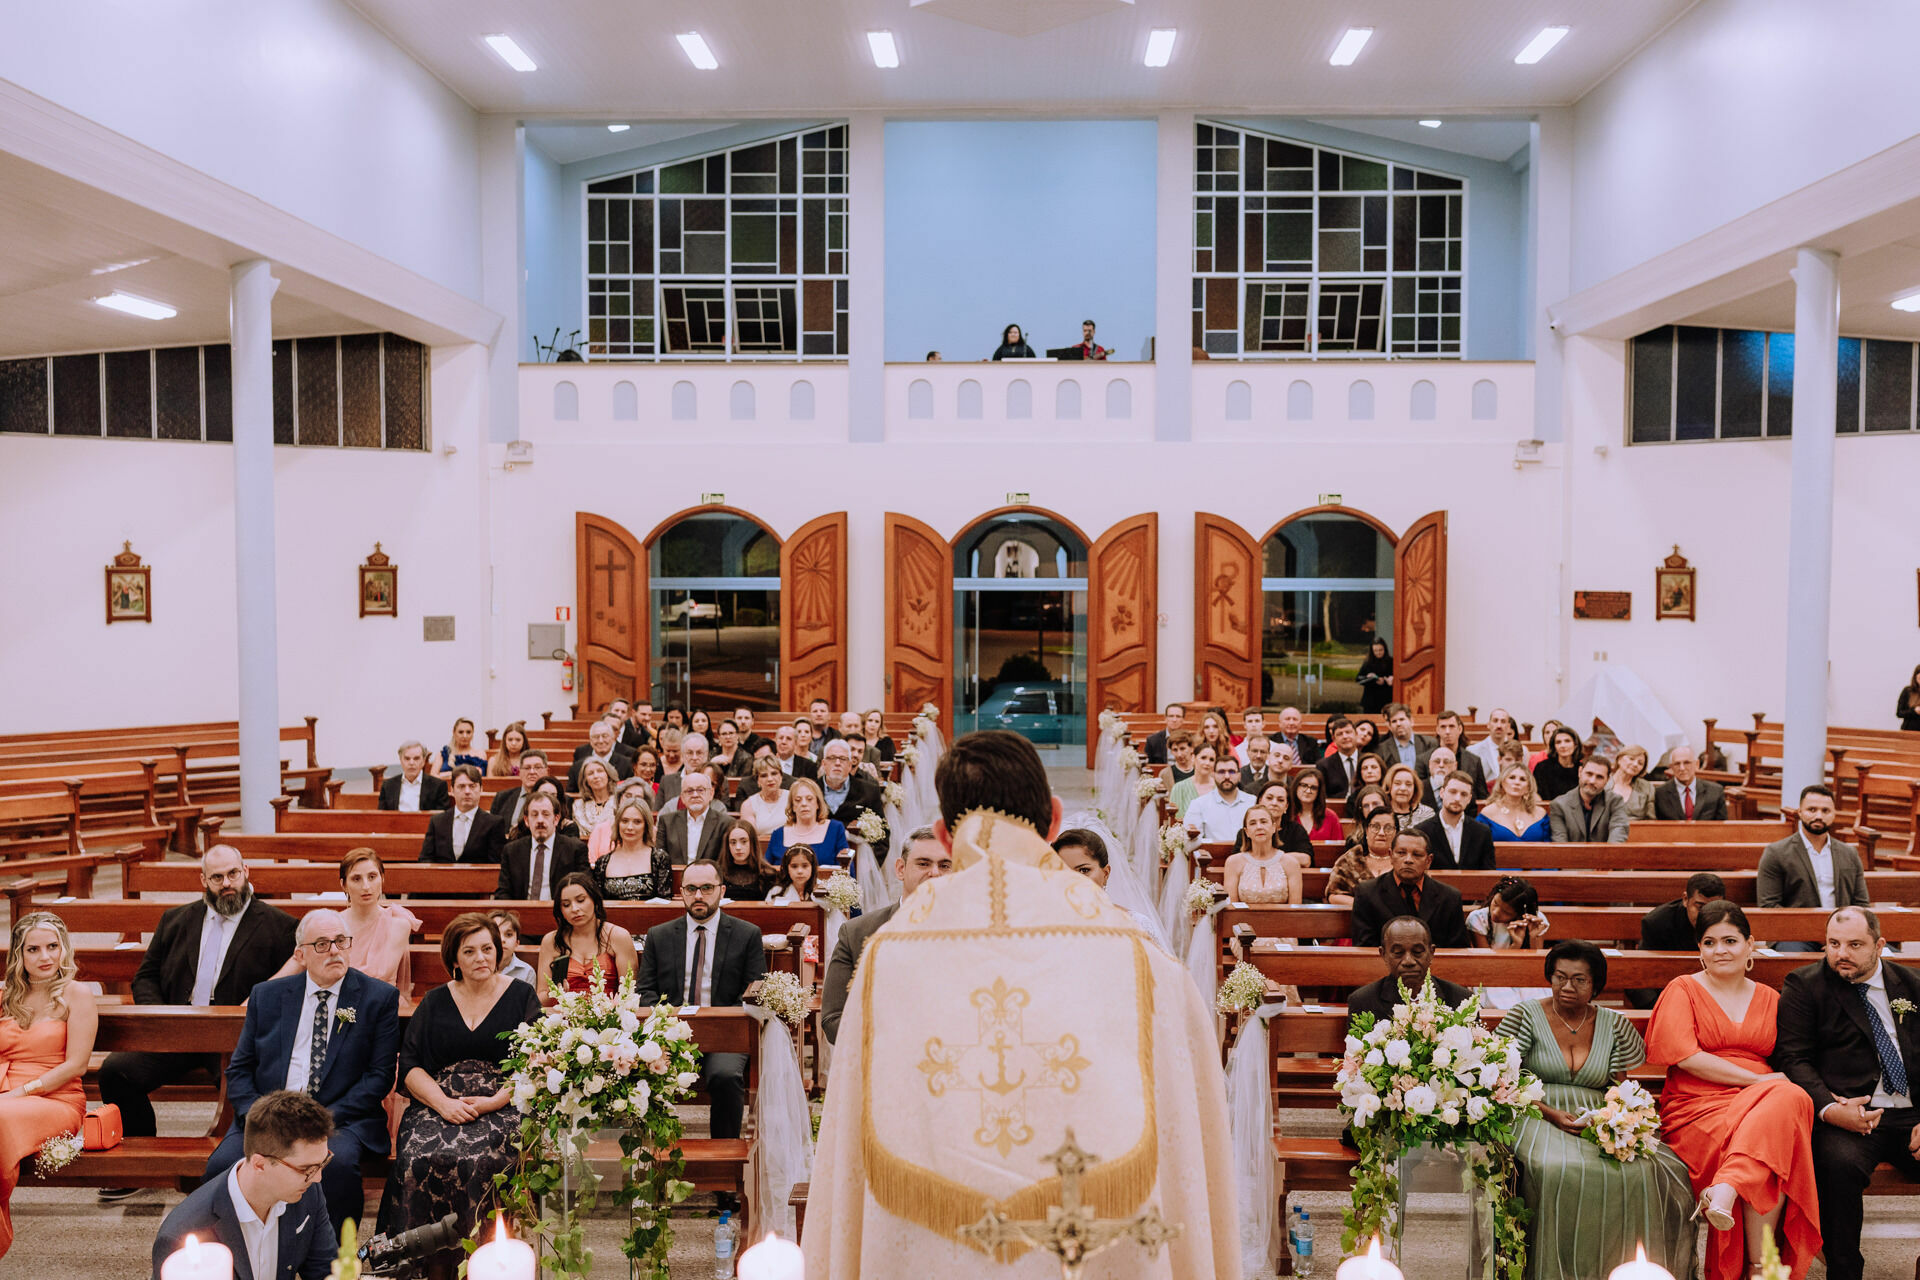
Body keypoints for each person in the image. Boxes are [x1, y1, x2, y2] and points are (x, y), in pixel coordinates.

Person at [802, 729, 1240, 1279]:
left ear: (943, 831)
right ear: (1053, 821)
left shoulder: (889, 960)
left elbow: (847, 1164)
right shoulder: (1142, 962)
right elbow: (1189, 1145)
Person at [1498, 941, 1697, 1280]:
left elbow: (1619, 1086)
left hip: (1596, 1110)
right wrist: (1549, 1112)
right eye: (1560, 977)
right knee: (1553, 1167)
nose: (1567, 987)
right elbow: (1505, 1081)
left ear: (1596, 985)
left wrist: (1619, 1118)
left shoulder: (1613, 1024)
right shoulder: (1526, 1015)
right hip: (1532, 1107)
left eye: (1579, 980)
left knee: (1641, 1171)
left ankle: (1618, 1267)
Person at [1649, 903, 1823, 1279]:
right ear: (1700, 949)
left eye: (1730, 940)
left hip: (1763, 1106)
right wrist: (1760, 1081)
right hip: (1697, 1106)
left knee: (1785, 1105)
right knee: (1779, 1124)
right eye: (1709, 942)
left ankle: (1727, 1187)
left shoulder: (1771, 998)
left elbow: (1795, 1057)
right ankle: (1763, 1269)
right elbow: (1687, 1057)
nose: (1720, 950)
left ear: (1750, 945)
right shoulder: (1684, 989)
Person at [99, 846, 299, 1171]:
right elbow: (146, 977)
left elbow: (288, 990)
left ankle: (243, 1168)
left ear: (246, 870)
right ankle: (139, 1159)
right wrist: (163, 1019)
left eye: (233, 874)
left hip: (238, 1040)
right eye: (217, 877)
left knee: (253, 1093)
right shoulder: (176, 920)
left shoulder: (278, 926)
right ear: (203, 879)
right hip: (177, 1034)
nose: (227, 883)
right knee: (116, 1071)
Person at [208, 909, 401, 1234]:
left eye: (341, 941)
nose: (335, 951)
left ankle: (335, 1260)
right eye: (323, 944)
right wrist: (262, 1116)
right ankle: (240, 1253)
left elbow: (378, 1077)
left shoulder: (376, 998)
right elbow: (240, 1069)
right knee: (222, 1165)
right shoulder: (267, 996)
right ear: (301, 954)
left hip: (342, 1119)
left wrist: (318, 1120)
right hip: (268, 1116)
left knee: (336, 1166)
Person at [378, 915, 540, 1278]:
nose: (481, 957)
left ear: (499, 952)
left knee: (482, 1162)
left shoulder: (521, 996)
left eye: (488, 949)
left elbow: (535, 1063)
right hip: (438, 1101)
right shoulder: (435, 1001)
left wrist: (495, 1101)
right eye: (470, 951)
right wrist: (442, 1103)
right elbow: (412, 1066)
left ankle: (487, 1267)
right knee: (417, 1159)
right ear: (454, 959)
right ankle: (423, 1269)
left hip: (502, 1101)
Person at [1773, 906, 1920, 1280]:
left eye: (1855, 944)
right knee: (1837, 1165)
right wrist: (1827, 1109)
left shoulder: (1913, 984)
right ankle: (1844, 1270)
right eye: (1834, 944)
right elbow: (1793, 1057)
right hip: (1850, 1113)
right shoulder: (1805, 985)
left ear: (1880, 945)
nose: (1841, 953)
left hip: (1912, 1113)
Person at [636, 861, 765, 1153]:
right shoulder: (660, 935)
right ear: (681, 892)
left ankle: (724, 1158)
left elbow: (753, 991)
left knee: (725, 1076)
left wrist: (722, 1026)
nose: (698, 895)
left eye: (706, 888)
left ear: (721, 890)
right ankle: (653, 1160)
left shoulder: (746, 934)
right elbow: (645, 991)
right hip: (671, 1034)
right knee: (644, 1072)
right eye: (691, 888)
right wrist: (666, 1027)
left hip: (725, 1034)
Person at [152, 1091, 339, 1280]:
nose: (318, 1178)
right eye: (306, 1169)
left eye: (322, 1163)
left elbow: (325, 1270)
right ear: (260, 1164)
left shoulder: (307, 1192)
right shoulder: (180, 1235)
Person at [0, 913, 93, 1258]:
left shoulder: (76, 994)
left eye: (52, 946)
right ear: (19, 956)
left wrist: (21, 1093)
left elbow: (76, 1065)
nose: (45, 957)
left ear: (63, 948)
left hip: (57, 1097)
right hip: (7, 1093)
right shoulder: (8, 996)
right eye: (34, 949)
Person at [821, 826, 950, 1044]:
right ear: (900, 869)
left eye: (945, 865)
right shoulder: (856, 933)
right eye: (923, 863)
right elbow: (833, 1021)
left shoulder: (976, 935)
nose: (935, 873)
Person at [1757, 786, 1868, 952]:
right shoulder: (1776, 853)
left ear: (1834, 814)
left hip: (1845, 934)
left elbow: (1861, 904)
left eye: (1825, 811)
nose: (1819, 816)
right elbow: (1769, 906)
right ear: (1800, 812)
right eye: (1812, 809)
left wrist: (1841, 936)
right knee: (1797, 961)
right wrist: (1815, 931)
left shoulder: (1849, 853)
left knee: (1891, 961)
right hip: (1794, 934)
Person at [1352, 827, 1470, 949]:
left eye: (1417, 855)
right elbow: (1365, 947)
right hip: (1382, 966)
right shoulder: (1367, 893)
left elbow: (1457, 950)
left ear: (1428, 861)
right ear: (1391, 856)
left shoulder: (1449, 897)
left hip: (1435, 966)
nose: (1408, 860)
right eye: (1401, 853)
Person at [1627, 872, 1728, 1008]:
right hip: (1667, 997)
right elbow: (1641, 974)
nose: (1707, 915)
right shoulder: (1657, 922)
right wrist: (1660, 1009)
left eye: (1714, 908)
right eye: (1700, 907)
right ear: (1685, 899)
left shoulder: (1729, 923)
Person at [1346, 916, 1471, 1024]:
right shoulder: (1363, 1002)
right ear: (1383, 954)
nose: (1408, 961)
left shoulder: (1461, 1000)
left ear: (1431, 952)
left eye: (1417, 952)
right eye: (1398, 952)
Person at [536, 873, 638, 1003]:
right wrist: (555, 992)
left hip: (610, 1018)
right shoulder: (551, 941)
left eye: (580, 900)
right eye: (566, 904)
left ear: (594, 900)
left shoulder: (618, 936)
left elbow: (629, 993)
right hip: (563, 1017)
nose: (575, 909)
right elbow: (541, 999)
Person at [1468, 875, 1551, 1009]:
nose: (1495, 912)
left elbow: (1535, 964)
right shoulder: (1479, 919)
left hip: (1524, 971)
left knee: (1537, 1003)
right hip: (1491, 975)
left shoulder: (1537, 920)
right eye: (1495, 903)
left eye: (1506, 912)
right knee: (1504, 1004)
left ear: (1519, 914)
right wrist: (1515, 946)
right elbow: (1487, 964)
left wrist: (1533, 937)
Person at [495, 792, 588, 901]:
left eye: (546, 814)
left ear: (556, 819)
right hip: (521, 913)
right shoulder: (512, 851)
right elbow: (504, 891)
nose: (540, 820)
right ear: (526, 821)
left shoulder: (575, 849)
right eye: (534, 815)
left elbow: (585, 890)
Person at [816, 739, 890, 866]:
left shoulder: (869, 791)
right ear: (824, 763)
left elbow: (882, 835)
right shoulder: (811, 790)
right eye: (832, 758)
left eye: (843, 759)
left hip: (858, 863)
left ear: (850, 765)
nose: (837, 763)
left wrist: (869, 866)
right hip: (816, 862)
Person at [420, 765, 505, 866]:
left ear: (481, 789)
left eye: (472, 786)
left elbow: (496, 865)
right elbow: (425, 859)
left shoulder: (494, 823)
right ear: (452, 790)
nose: (467, 791)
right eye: (461, 786)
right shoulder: (437, 821)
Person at [591, 796, 673, 901]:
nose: (630, 827)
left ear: (646, 825)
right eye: (625, 821)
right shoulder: (603, 862)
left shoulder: (659, 858)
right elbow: (598, 903)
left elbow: (664, 902)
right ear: (618, 824)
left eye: (637, 822)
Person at [1223, 805, 1303, 905]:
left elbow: (1295, 909)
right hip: (1243, 920)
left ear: (1274, 828)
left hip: (1283, 920)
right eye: (1253, 823)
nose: (1259, 827)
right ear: (1246, 832)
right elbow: (1232, 908)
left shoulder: (1291, 863)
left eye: (1264, 822)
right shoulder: (1233, 862)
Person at [765, 776, 850, 868]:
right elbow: (766, 870)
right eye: (798, 800)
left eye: (809, 799)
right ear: (793, 806)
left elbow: (846, 870)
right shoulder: (778, 834)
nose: (804, 804)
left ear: (818, 803)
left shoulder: (835, 829)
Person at [1417, 771, 1496, 870]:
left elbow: (1489, 872)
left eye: (1463, 794)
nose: (1457, 798)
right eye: (1453, 792)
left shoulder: (1482, 832)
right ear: (1442, 793)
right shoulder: (1423, 831)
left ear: (1469, 799)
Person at [1548, 755, 1631, 843]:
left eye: (1599, 777)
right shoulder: (1559, 805)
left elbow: (1618, 834)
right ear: (1580, 772)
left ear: (1607, 780)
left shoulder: (1615, 802)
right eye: (1589, 774)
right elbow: (1560, 843)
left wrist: (1607, 855)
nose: (1592, 781)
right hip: (1571, 856)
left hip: (1605, 855)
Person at [1327, 809, 1397, 907]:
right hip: (1356, 917)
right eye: (1375, 827)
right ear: (1367, 831)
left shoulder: (1403, 860)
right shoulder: (1350, 859)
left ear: (1396, 833)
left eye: (1388, 828)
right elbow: (1334, 895)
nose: (1381, 833)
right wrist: (1364, 906)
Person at [657, 770, 726, 864]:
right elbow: (661, 861)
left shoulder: (725, 823)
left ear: (711, 793)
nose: (695, 795)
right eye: (689, 791)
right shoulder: (667, 822)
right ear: (682, 797)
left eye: (700, 790)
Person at [1186, 754, 1254, 843]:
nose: (1226, 776)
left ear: (1239, 775)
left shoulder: (1252, 802)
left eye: (1232, 772)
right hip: (1214, 855)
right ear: (1213, 775)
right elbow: (1191, 842)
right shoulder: (1199, 804)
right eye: (1221, 772)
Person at [1476, 764, 1552, 843]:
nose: (1517, 782)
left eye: (1522, 779)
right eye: (1512, 777)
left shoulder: (1540, 813)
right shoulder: (1488, 813)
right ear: (1502, 782)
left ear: (1528, 787)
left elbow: (1549, 848)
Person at [1653, 744, 1728, 821]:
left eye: (1686, 763)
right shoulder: (1660, 794)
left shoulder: (1715, 792)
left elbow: (1722, 828)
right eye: (1677, 764)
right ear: (1671, 767)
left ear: (1697, 764)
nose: (1682, 768)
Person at [379, 741, 449, 813]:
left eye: (416, 758)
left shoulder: (438, 786)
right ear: (400, 760)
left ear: (423, 761)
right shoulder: (388, 786)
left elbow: (442, 818)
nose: (411, 763)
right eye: (407, 758)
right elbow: (381, 817)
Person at [488, 748, 550, 828]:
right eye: (527, 768)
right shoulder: (502, 797)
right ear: (519, 773)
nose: (532, 772)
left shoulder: (558, 798)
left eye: (537, 767)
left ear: (547, 772)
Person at [1432, 711, 1488, 798]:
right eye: (1443, 727)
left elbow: (1482, 796)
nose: (1447, 731)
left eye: (1451, 726)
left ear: (1460, 729)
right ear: (1437, 730)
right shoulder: (1424, 759)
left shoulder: (1474, 761)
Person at [569, 719, 634, 793]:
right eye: (596, 737)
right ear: (590, 740)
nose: (600, 741)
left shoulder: (627, 764)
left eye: (605, 736)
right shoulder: (578, 766)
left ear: (613, 738)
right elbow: (572, 794)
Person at [717, 819, 772, 901]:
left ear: (752, 843)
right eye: (733, 842)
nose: (738, 847)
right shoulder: (717, 873)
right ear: (727, 845)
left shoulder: (768, 874)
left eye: (744, 841)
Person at [737, 757, 791, 838]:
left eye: (774, 773)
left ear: (781, 776)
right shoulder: (748, 805)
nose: (770, 779)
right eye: (764, 775)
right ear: (758, 781)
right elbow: (751, 837)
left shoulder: (792, 798)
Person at [1316, 715, 1367, 800]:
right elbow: (1322, 795)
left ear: (1356, 734)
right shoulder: (1324, 765)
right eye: (1340, 734)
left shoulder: (1368, 760)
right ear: (1334, 739)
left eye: (1348, 732)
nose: (1345, 736)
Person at [1372, 703, 1433, 772]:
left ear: (1411, 721)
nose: (1398, 724)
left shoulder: (1429, 743)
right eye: (1394, 721)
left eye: (1402, 719)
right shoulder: (1381, 750)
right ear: (1389, 726)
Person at [1290, 768, 1344, 844]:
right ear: (1296, 786)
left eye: (1313, 788)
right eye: (1304, 785)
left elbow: (1338, 848)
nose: (1308, 791)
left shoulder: (1331, 817)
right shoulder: (1286, 814)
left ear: (1319, 792)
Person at [1608, 744, 1658, 822]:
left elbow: (1651, 820)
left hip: (1636, 831)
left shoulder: (1647, 787)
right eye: (1631, 759)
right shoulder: (1602, 782)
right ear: (1619, 759)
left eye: (1640, 763)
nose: (1635, 764)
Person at [1533, 726, 1584, 802]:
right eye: (1558, 742)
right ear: (1554, 747)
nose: (1563, 745)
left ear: (1575, 745)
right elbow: (1535, 794)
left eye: (1567, 741)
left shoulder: (1583, 769)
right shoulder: (1542, 768)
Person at [1168, 743, 1218, 819]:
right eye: (1203, 758)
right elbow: (1174, 822)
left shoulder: (1219, 788)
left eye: (1211, 760)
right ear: (1193, 758)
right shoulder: (1179, 788)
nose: (1207, 763)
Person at [1468, 708, 1519, 781]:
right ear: (1488, 725)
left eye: (1503, 721)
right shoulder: (1473, 751)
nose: (1499, 725)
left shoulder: (1522, 751)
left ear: (1508, 726)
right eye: (1495, 721)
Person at [488, 911, 537, 985]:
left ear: (517, 943)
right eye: (496, 933)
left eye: (508, 934)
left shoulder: (527, 971)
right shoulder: (478, 967)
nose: (502, 939)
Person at [1382, 762, 1435, 829]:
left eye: (1408, 784)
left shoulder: (1427, 814)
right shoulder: (1380, 813)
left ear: (1415, 789)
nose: (1403, 788)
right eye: (1397, 783)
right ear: (1389, 787)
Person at [572, 758, 618, 833]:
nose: (596, 776)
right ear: (585, 781)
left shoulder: (620, 802)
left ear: (608, 775)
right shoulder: (578, 805)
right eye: (590, 773)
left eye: (600, 771)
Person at [1356, 638, 1393, 712]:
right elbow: (1358, 679)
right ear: (1372, 651)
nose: (1378, 653)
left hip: (1386, 700)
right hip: (1370, 701)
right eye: (1375, 651)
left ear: (1385, 649)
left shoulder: (1391, 662)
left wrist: (1386, 681)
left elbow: (1396, 678)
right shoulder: (1368, 663)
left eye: (1380, 650)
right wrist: (1371, 679)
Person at [1900, 665, 1920, 731]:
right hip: (1908, 731)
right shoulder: (1907, 691)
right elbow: (1899, 713)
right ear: (1915, 676)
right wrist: (1914, 711)